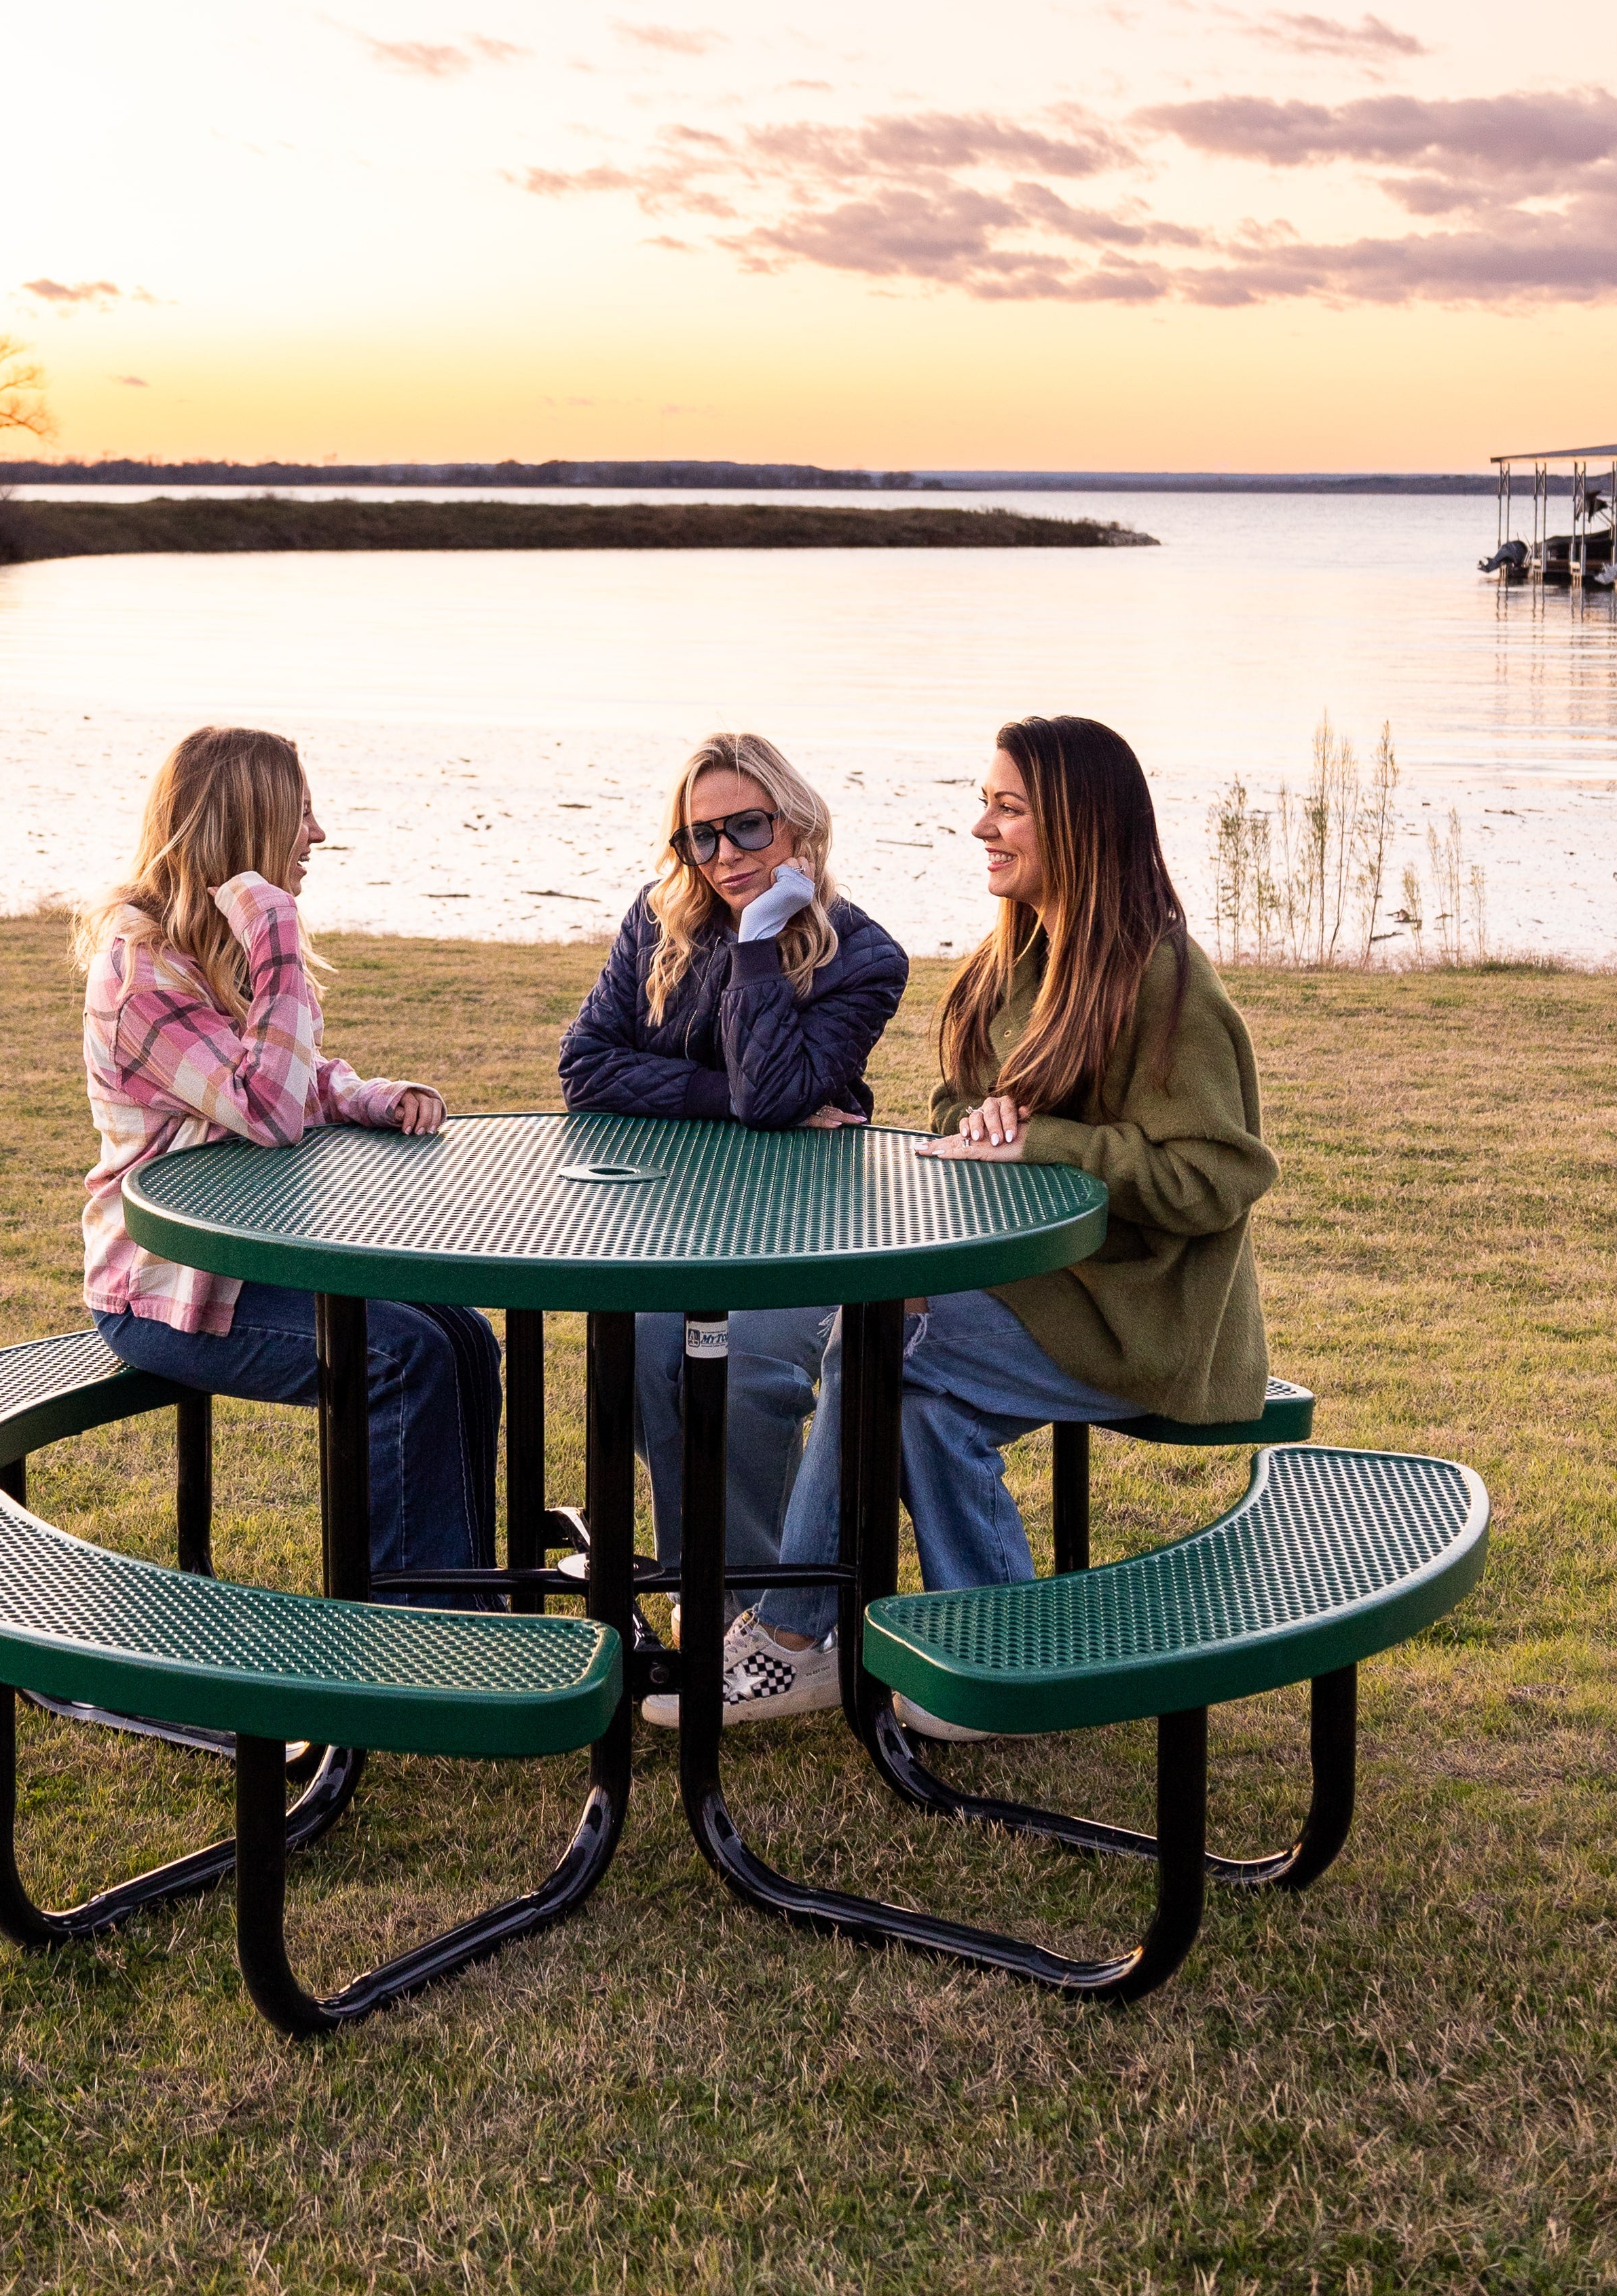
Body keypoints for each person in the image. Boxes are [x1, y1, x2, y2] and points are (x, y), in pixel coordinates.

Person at [725, 713, 1278, 1737]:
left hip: (1140, 1321)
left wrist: (1045, 1141)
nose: (981, 826)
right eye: (985, 803)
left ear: (1077, 823)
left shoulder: (1163, 981)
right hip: (1040, 1290)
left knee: (882, 1344)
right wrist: (982, 1120)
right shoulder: (1009, 960)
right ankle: (1000, 1660)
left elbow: (1214, 1176)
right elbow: (956, 1106)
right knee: (920, 1405)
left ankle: (793, 1636)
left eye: (1008, 808)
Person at [78, 723, 500, 1600]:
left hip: (251, 1263)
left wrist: (367, 1094)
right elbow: (267, 1106)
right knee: (404, 1359)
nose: (318, 833)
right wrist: (277, 930)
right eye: (300, 813)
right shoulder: (142, 969)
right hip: (168, 1287)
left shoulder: (214, 942)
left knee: (463, 1336)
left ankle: (464, 1599)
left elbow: (286, 1073)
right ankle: (414, 1625)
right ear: (247, 823)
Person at [559, 730, 907, 1684]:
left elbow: (778, 1093)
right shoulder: (655, 922)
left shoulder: (864, 956)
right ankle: (705, 1589)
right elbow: (585, 1067)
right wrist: (727, 1096)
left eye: (747, 827)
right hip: (675, 1212)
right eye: (699, 837)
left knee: (748, 1369)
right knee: (647, 1353)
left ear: (796, 821)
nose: (723, 856)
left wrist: (758, 947)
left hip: (805, 1221)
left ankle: (757, 1612)